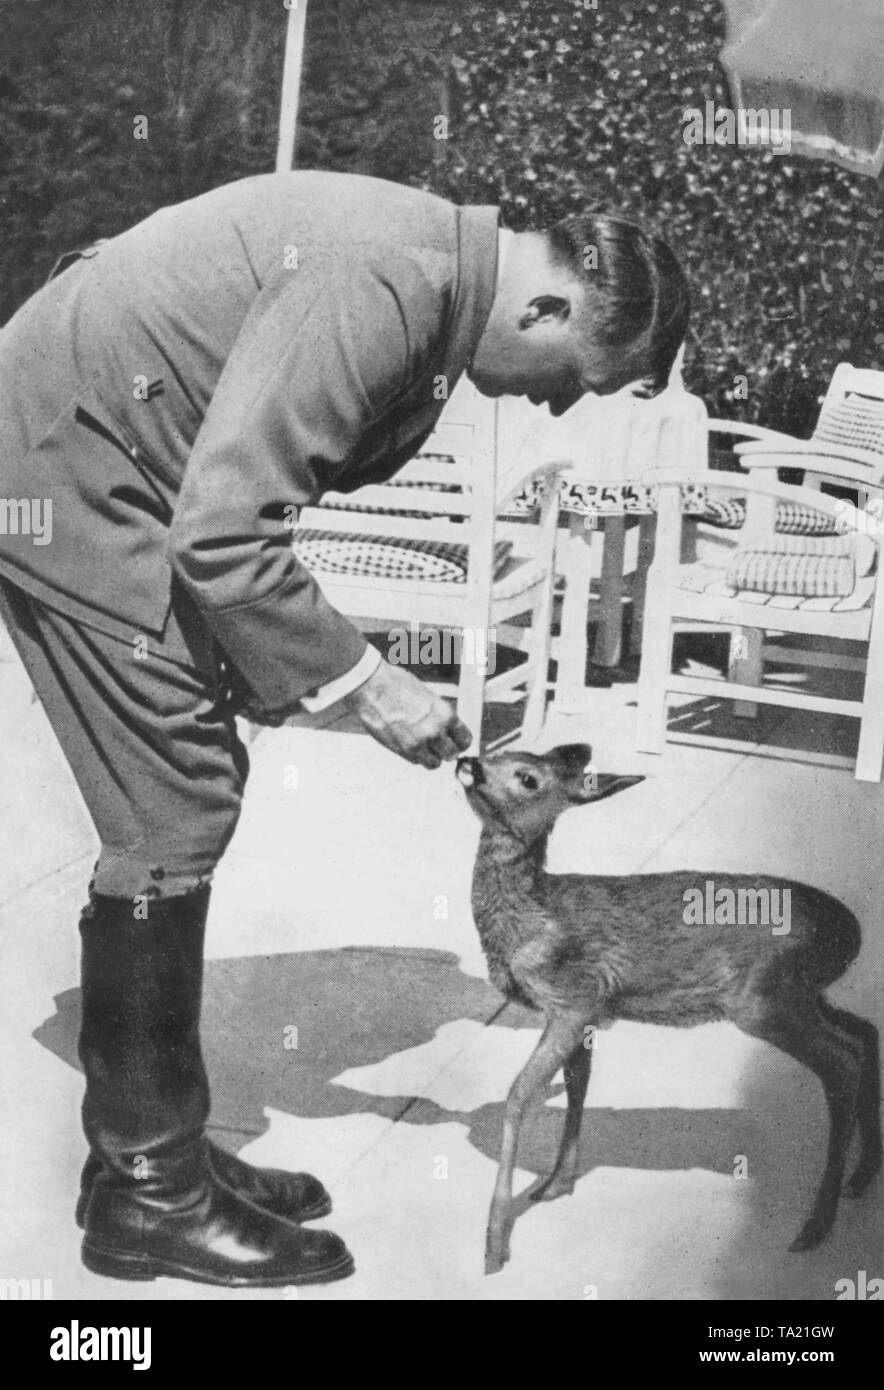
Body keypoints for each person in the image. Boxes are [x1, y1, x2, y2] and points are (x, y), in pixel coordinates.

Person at [0, 170, 689, 1288]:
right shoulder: (389, 279)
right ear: (548, 311)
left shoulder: (427, 272)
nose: (552, 406)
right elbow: (223, 536)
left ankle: (151, 1157)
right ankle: (148, 1194)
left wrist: (297, 670)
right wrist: (369, 684)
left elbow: (230, 495)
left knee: (188, 783)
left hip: (103, 454)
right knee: (172, 808)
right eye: (569, 385)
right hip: (63, 464)